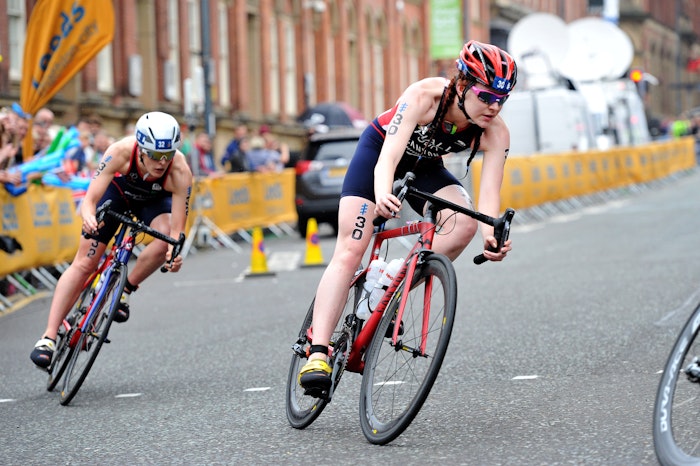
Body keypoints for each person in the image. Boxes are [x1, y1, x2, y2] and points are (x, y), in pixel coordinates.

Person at [297, 40, 517, 396]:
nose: (494, 106)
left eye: (502, 99)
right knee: (351, 249)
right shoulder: (424, 97)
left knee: (464, 223)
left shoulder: (496, 131)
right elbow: (389, 156)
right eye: (486, 96)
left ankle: (388, 281)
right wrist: (383, 192)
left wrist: (490, 234)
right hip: (378, 153)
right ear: (462, 84)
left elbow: (488, 196)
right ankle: (318, 352)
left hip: (424, 166)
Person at [30, 111, 193, 369]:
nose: (161, 162)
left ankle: (125, 289)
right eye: (154, 155)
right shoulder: (119, 151)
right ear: (141, 148)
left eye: (167, 155)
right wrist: (88, 217)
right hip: (117, 193)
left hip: (153, 201)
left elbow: (176, 232)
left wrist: (174, 256)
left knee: (163, 243)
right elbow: (90, 200)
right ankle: (48, 337)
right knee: (85, 263)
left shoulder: (180, 170)